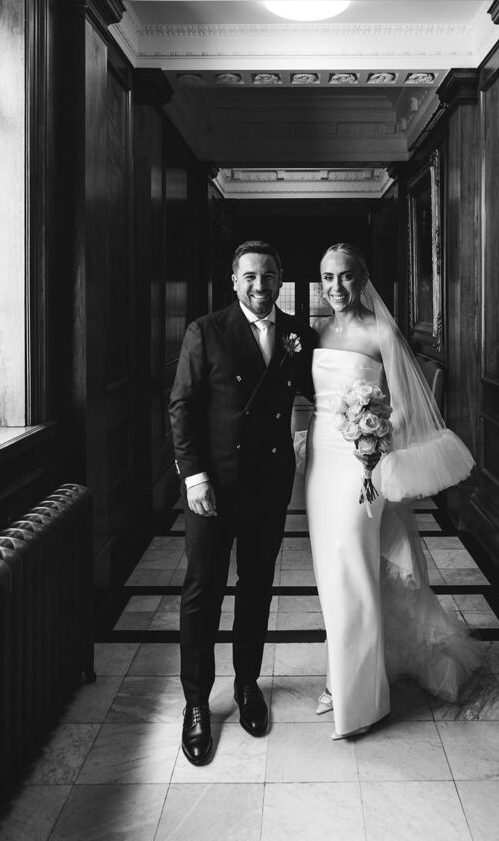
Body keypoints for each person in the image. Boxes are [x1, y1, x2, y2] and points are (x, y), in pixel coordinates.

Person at [305, 243, 482, 740]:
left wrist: (371, 439)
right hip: (321, 462)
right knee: (329, 571)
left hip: (363, 464)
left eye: (345, 277)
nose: (335, 287)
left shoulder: (380, 330)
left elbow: (404, 408)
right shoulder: (318, 330)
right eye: (327, 277)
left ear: (362, 280)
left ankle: (362, 698)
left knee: (355, 568)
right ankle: (339, 675)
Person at [169, 240, 315, 765]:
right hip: (214, 487)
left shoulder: (300, 334)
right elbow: (181, 409)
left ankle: (248, 686)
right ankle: (196, 704)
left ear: (281, 279)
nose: (260, 285)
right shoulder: (205, 332)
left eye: (269, 276)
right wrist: (195, 478)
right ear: (235, 281)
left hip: (269, 483)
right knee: (202, 593)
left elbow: (324, 393)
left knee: (256, 588)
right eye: (250, 276)